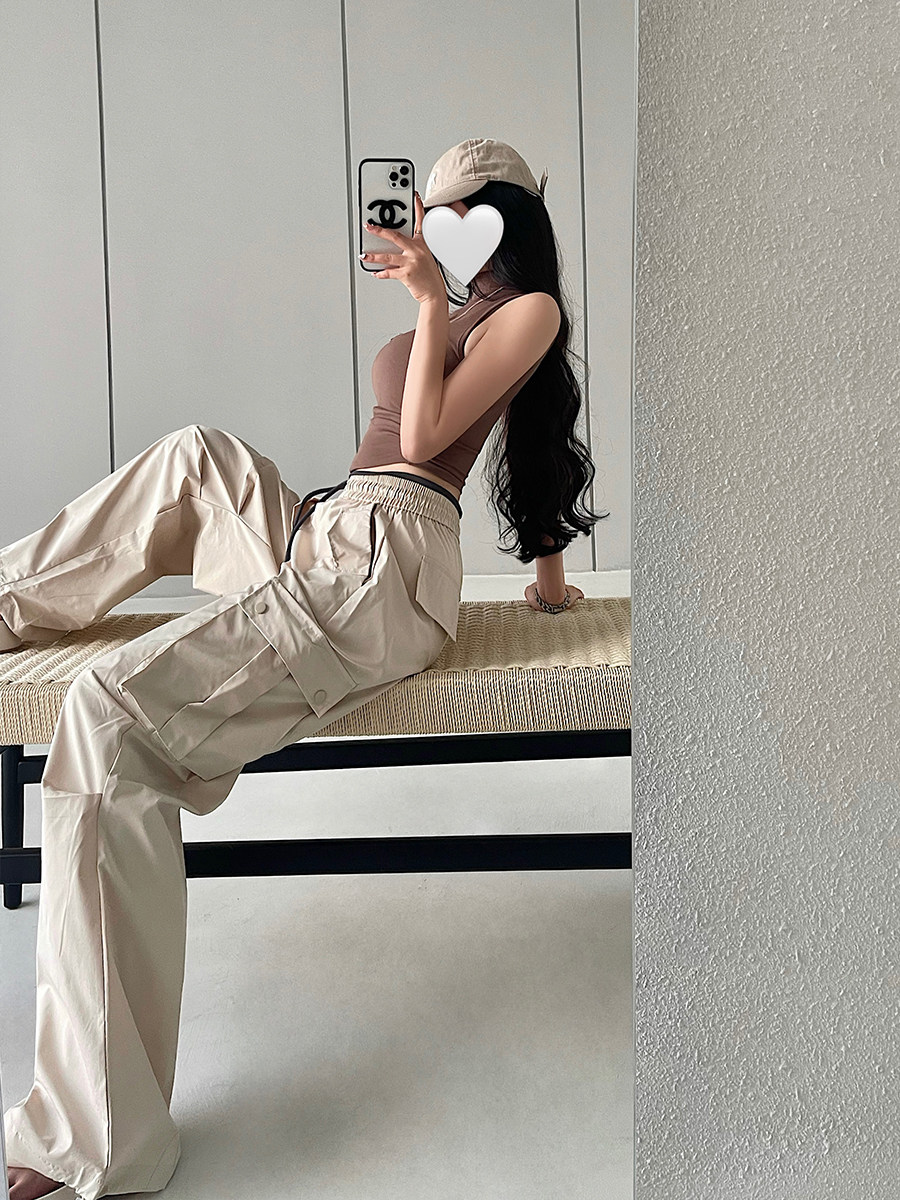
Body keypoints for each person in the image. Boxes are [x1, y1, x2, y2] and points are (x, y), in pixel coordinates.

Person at [2, 138, 605, 1200]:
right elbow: (533, 453)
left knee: (106, 716)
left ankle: (99, 1135)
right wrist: (550, 586)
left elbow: (431, 436)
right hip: (332, 529)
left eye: (452, 213)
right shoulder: (464, 304)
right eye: (426, 213)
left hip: (384, 569)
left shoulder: (529, 310)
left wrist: (427, 303)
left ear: (500, 216)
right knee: (196, 457)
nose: (430, 228)